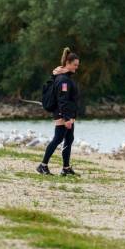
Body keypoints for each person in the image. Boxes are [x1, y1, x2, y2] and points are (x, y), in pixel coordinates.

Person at [37, 47, 80, 176]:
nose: (76, 67)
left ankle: (66, 168)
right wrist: (66, 118)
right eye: (74, 65)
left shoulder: (62, 77)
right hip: (63, 114)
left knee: (69, 139)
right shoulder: (63, 80)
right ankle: (43, 165)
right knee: (57, 139)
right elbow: (63, 100)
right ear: (67, 63)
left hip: (68, 114)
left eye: (77, 65)